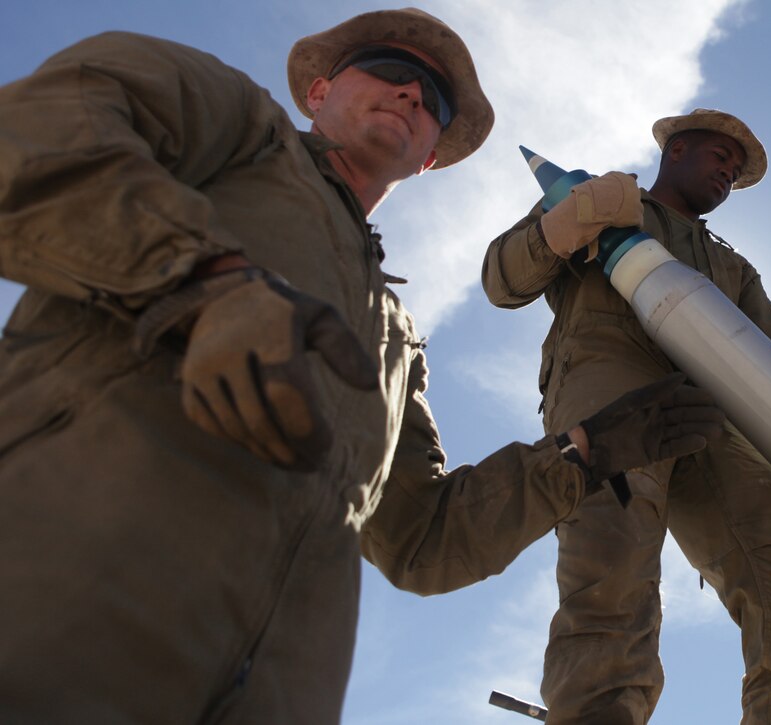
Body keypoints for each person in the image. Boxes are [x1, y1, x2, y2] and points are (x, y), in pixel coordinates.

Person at [0, 10, 727, 724]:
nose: (412, 93)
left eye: (434, 100)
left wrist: (583, 453)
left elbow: (421, 541)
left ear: (430, 157)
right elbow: (41, 128)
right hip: (58, 609)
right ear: (318, 93)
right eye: (391, 69)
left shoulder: (392, 341)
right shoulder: (242, 132)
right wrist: (204, 282)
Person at [482, 108, 771, 724]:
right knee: (611, 582)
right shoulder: (601, 200)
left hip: (720, 420)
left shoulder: (731, 268)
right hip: (610, 403)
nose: (727, 177)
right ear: (675, 150)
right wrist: (561, 226)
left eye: (736, 174)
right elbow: (503, 280)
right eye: (719, 159)